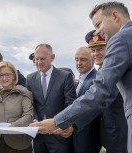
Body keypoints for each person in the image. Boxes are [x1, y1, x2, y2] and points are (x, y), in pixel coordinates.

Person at [30, 2, 132, 153]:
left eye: (98, 24)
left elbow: (101, 91)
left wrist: (59, 121)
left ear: (115, 16)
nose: (97, 31)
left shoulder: (120, 39)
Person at [26, 44, 76, 153]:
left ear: (52, 57)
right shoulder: (30, 79)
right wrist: (35, 121)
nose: (39, 62)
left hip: (59, 134)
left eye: (42, 59)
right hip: (38, 135)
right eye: (36, 59)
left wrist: (64, 124)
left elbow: (70, 104)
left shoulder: (65, 76)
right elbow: (30, 104)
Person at [86, 30, 127, 153]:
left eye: (100, 49)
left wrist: (71, 121)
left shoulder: (114, 71)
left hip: (118, 134)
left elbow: (100, 100)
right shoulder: (102, 71)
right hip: (106, 133)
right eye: (93, 50)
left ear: (109, 49)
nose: (96, 53)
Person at [0, 61, 33, 153]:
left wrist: (11, 127)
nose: (4, 78)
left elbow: (29, 115)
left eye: (8, 74)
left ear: (13, 76)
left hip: (18, 144)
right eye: (1, 75)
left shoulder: (23, 92)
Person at [73, 47, 101, 153]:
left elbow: (90, 109)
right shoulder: (78, 81)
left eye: (83, 59)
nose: (79, 63)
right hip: (77, 137)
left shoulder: (96, 79)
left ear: (93, 60)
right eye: (76, 59)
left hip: (89, 138)